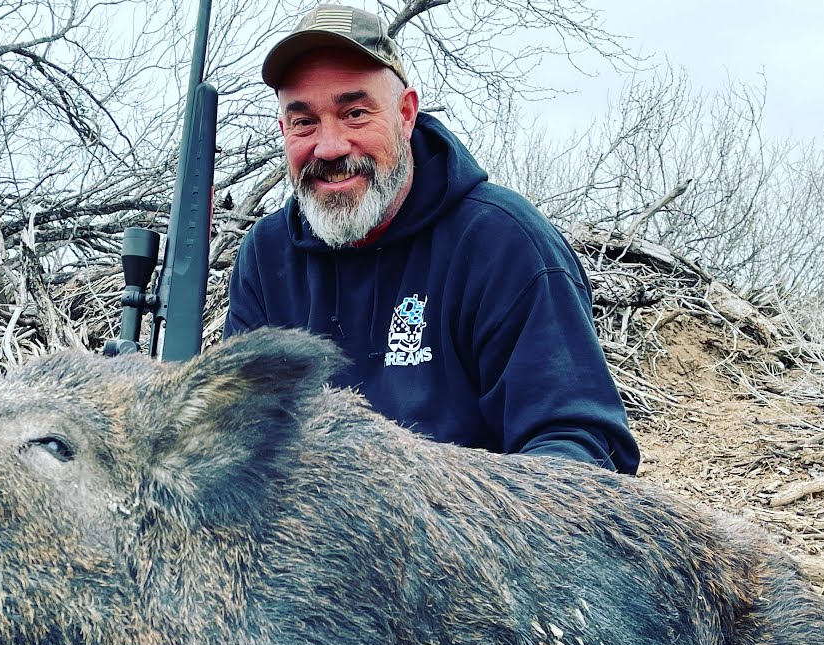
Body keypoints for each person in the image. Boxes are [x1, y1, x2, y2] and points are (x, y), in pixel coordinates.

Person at [224, 4, 640, 474]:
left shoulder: (503, 243)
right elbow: (239, 439)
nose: (330, 146)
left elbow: (580, 447)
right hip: (304, 543)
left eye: (355, 113)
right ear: (283, 131)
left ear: (406, 114)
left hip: (468, 539)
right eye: (304, 122)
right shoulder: (265, 255)